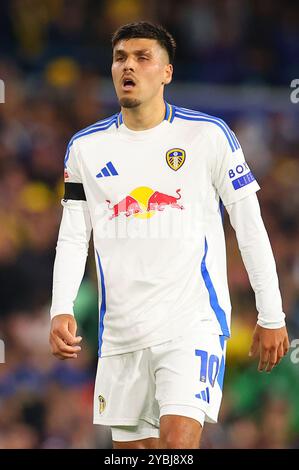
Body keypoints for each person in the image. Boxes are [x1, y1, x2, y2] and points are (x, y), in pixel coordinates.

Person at [49, 21, 289, 449]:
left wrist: (272, 314)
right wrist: (60, 308)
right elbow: (72, 236)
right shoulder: (85, 148)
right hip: (120, 331)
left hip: (190, 322)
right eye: (121, 57)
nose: (129, 66)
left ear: (167, 72)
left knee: (178, 443)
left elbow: (249, 225)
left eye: (143, 57)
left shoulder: (208, 135)